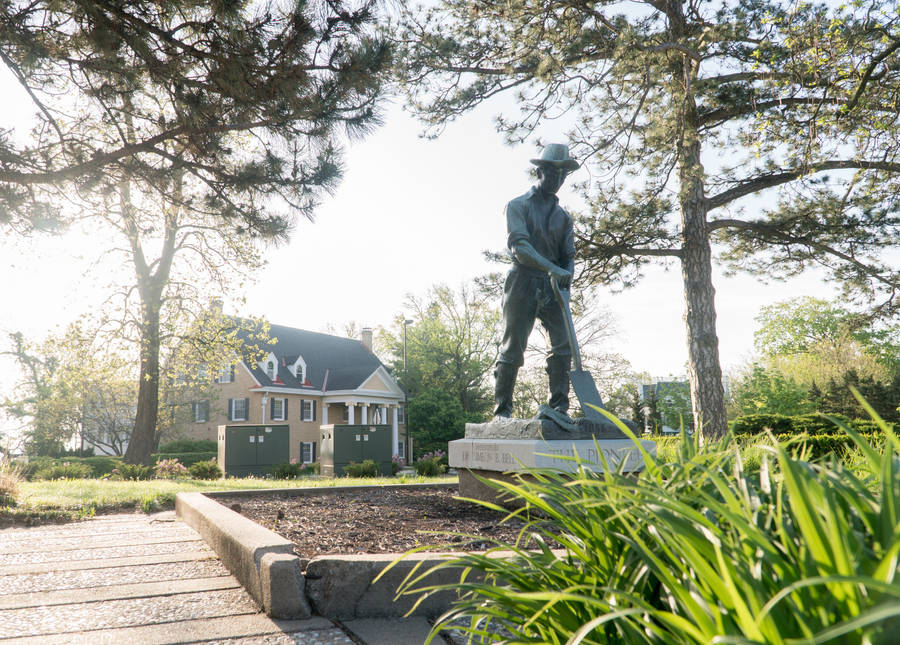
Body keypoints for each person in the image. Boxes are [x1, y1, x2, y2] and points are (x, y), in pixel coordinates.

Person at [494, 143, 578, 420]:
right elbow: (520, 248)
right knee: (513, 346)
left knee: (562, 346)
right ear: (540, 172)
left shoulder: (564, 218)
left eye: (563, 175)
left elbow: (569, 256)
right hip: (522, 281)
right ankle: (502, 412)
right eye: (554, 173)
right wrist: (553, 268)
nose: (559, 180)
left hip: (553, 286)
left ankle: (559, 408)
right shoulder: (518, 206)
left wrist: (566, 276)